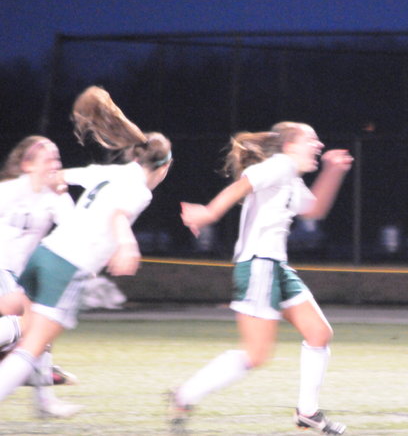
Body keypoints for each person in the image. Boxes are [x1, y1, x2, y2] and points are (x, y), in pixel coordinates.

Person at [0, 86, 173, 411]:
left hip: (44, 254)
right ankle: (41, 400)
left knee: (20, 320)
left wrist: (54, 180)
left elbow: (63, 176)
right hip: (67, 266)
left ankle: (45, 403)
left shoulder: (112, 172)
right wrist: (126, 244)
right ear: (164, 167)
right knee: (32, 344)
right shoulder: (140, 190)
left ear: (136, 156)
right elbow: (118, 214)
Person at [174, 122, 352, 435]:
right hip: (259, 266)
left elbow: (314, 209)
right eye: (311, 139)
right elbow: (243, 184)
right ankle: (184, 396)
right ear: (289, 146)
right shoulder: (279, 165)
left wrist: (333, 171)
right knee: (256, 354)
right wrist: (209, 213)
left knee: (319, 333)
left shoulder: (290, 176)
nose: (319, 145)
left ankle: (308, 413)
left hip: (276, 267)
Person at [0, 135, 80, 417]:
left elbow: (74, 231)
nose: (55, 165)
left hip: (22, 276)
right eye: (48, 159)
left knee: (42, 326)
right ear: (28, 164)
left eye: (57, 159)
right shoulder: (8, 191)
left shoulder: (56, 197)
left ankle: (45, 403)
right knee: (33, 323)